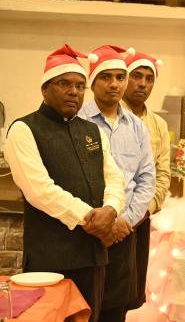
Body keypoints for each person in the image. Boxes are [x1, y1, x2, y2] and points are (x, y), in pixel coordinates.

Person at [5, 44, 125, 322]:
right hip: (50, 258)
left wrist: (111, 210)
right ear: (45, 89)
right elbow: (39, 190)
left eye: (80, 85)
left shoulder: (92, 130)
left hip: (93, 256)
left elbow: (114, 177)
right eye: (64, 84)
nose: (74, 91)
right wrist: (91, 218)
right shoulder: (24, 129)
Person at [78, 45, 156, 322]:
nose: (114, 84)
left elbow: (146, 179)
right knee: (83, 309)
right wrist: (100, 222)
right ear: (93, 82)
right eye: (106, 77)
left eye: (120, 77)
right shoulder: (76, 121)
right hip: (86, 233)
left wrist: (126, 220)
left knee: (116, 310)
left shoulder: (136, 127)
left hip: (124, 233)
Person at [121, 51, 171, 311]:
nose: (143, 84)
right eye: (136, 76)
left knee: (128, 294)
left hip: (139, 220)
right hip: (108, 218)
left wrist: (144, 210)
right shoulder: (108, 116)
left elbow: (163, 174)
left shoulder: (158, 125)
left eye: (149, 78)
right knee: (99, 294)